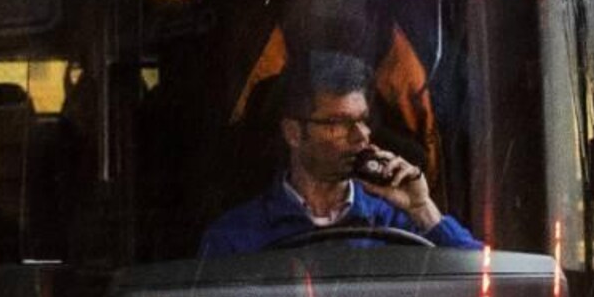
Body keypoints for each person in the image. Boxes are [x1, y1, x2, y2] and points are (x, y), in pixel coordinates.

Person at [198, 51, 479, 256]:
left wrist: (423, 210)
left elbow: (480, 284)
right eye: (337, 123)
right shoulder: (235, 236)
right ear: (293, 133)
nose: (361, 136)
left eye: (363, 120)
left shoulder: (396, 219)